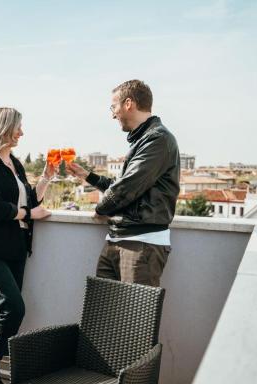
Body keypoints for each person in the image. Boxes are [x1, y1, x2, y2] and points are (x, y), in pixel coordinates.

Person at [0, 107, 52, 384]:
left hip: (16, 248)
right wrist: (30, 213)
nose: (22, 132)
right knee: (12, 307)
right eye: (18, 127)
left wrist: (45, 177)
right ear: (3, 128)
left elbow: (29, 199)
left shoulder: (15, 163)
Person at [67, 80, 180, 287]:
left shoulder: (158, 139)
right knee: (103, 314)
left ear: (128, 103)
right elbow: (124, 185)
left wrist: (101, 208)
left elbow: (127, 188)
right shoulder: (144, 139)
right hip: (118, 240)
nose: (112, 114)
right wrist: (88, 176)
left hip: (141, 244)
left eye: (114, 107)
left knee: (136, 318)